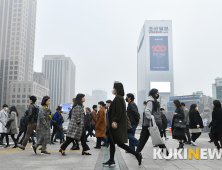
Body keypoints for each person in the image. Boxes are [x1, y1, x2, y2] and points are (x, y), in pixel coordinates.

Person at [103, 82, 142, 167]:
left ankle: (137, 155)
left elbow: (119, 112)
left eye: (114, 88)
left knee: (119, 143)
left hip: (116, 125)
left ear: (117, 89)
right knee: (112, 142)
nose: (113, 90)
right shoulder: (118, 98)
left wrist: (115, 121)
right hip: (115, 125)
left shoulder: (119, 98)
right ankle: (112, 160)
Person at [136, 89, 166, 154]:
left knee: (145, 139)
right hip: (150, 124)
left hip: (150, 124)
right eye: (156, 94)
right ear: (153, 94)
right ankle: (137, 152)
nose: (157, 95)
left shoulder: (153, 101)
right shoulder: (150, 101)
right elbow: (147, 111)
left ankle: (137, 152)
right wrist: (152, 118)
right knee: (155, 139)